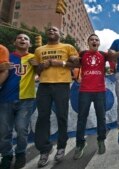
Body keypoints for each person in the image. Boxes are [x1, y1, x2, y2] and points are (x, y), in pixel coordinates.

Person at [34, 26, 78, 168]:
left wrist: (62, 63)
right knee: (42, 117)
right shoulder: (39, 50)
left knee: (62, 116)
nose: (51, 32)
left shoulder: (67, 47)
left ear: (60, 34)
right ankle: (44, 150)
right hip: (44, 86)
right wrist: (43, 65)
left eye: (55, 30)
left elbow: (76, 63)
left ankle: (61, 146)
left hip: (62, 85)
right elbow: (36, 69)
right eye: (49, 31)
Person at [0, 34, 37, 169]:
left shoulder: (34, 58)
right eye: (19, 38)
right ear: (14, 42)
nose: (22, 40)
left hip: (26, 100)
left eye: (26, 39)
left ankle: (21, 153)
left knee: (22, 129)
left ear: (30, 44)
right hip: (5, 99)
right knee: (4, 131)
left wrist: (39, 65)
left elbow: (43, 72)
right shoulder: (6, 56)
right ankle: (7, 156)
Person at [73, 34, 108, 160]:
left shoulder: (104, 55)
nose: (94, 41)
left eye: (96, 40)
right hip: (85, 91)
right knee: (81, 118)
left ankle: (101, 140)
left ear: (99, 43)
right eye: (92, 40)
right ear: (88, 42)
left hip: (100, 91)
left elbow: (115, 59)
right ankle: (80, 144)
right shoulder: (82, 54)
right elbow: (73, 65)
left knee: (101, 117)